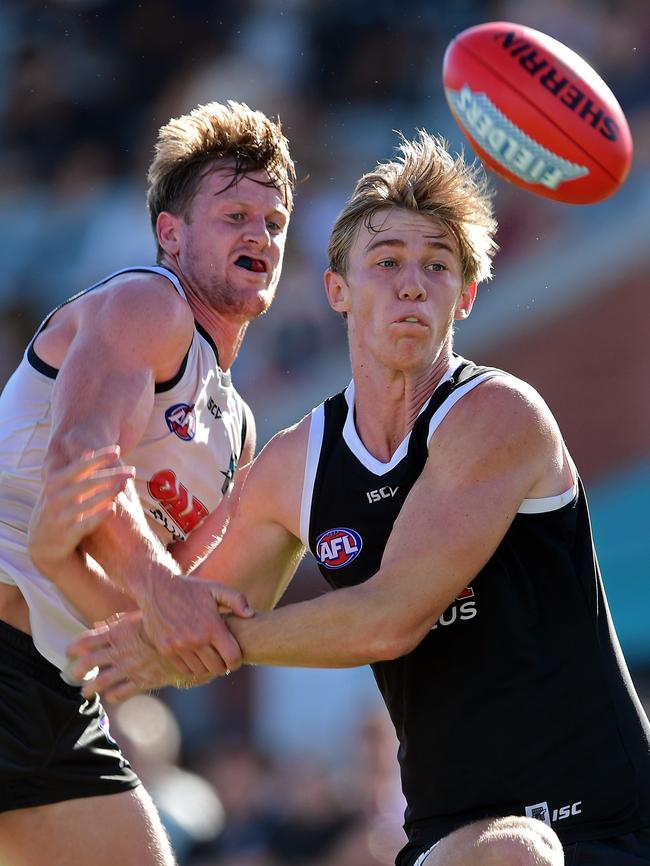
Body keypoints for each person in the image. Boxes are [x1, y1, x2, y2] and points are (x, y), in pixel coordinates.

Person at [33, 131, 650, 866]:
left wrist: (235, 641)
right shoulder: (296, 463)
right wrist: (56, 557)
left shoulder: (498, 416)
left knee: (520, 853)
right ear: (337, 290)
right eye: (386, 262)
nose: (412, 283)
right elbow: (179, 637)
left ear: (467, 296)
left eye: (437, 265)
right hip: (453, 840)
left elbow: (388, 621)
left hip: (608, 830)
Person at [0, 100, 296, 866]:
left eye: (275, 221)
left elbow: (164, 621)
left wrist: (167, 634)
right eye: (234, 214)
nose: (259, 234)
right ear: (171, 233)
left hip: (55, 695)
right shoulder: (146, 300)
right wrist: (162, 594)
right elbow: (81, 457)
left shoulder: (240, 428)